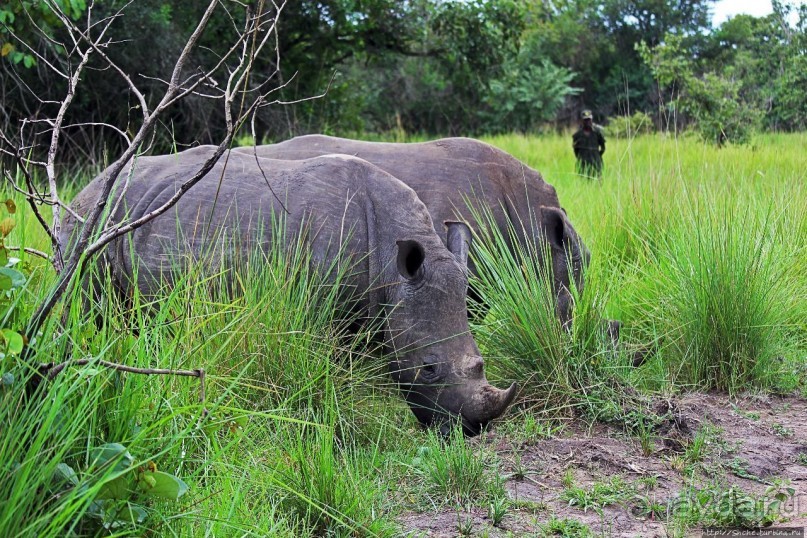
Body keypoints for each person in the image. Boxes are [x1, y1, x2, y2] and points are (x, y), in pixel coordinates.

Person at [572, 109, 605, 178]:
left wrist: (597, 155)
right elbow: (575, 150)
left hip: (595, 162)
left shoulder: (597, 133)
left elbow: (603, 147)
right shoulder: (577, 135)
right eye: (585, 120)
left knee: (597, 180)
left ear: (591, 119)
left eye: (589, 120)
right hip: (583, 163)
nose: (587, 122)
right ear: (582, 121)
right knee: (582, 180)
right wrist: (581, 157)